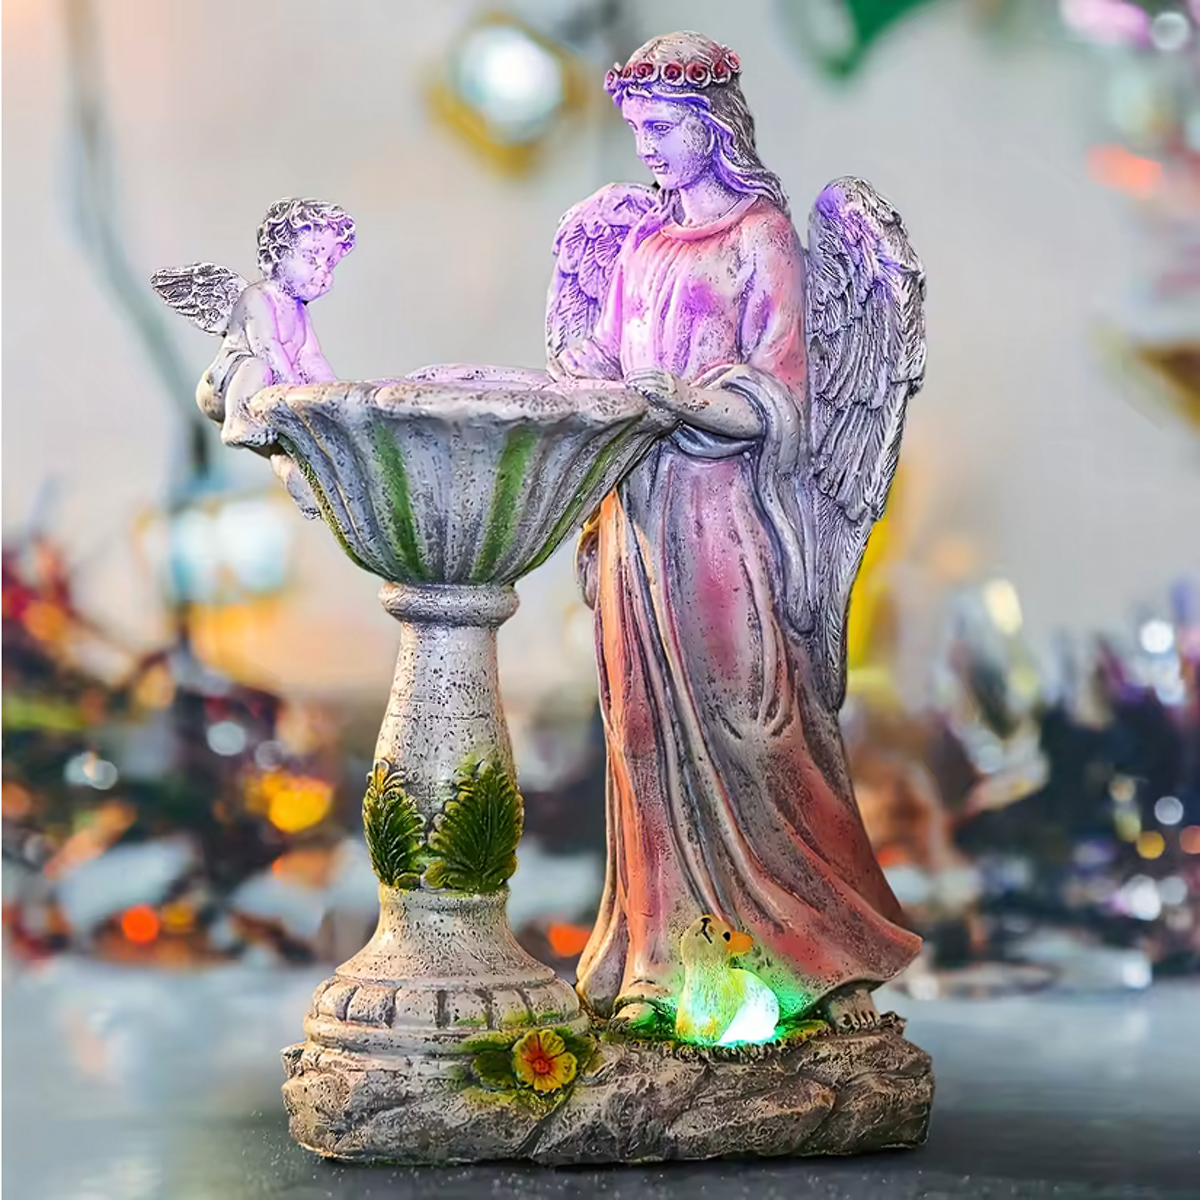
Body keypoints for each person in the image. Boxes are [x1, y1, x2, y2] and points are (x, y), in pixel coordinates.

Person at [552, 32, 921, 1031]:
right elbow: (610, 365)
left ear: (714, 128)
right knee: (641, 733)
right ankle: (661, 965)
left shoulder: (761, 237)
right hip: (637, 511)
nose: (648, 150)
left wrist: (681, 398)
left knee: (753, 725)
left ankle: (814, 956)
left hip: (721, 513)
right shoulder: (639, 244)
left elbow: (781, 397)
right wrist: (591, 373)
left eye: (664, 129)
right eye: (637, 130)